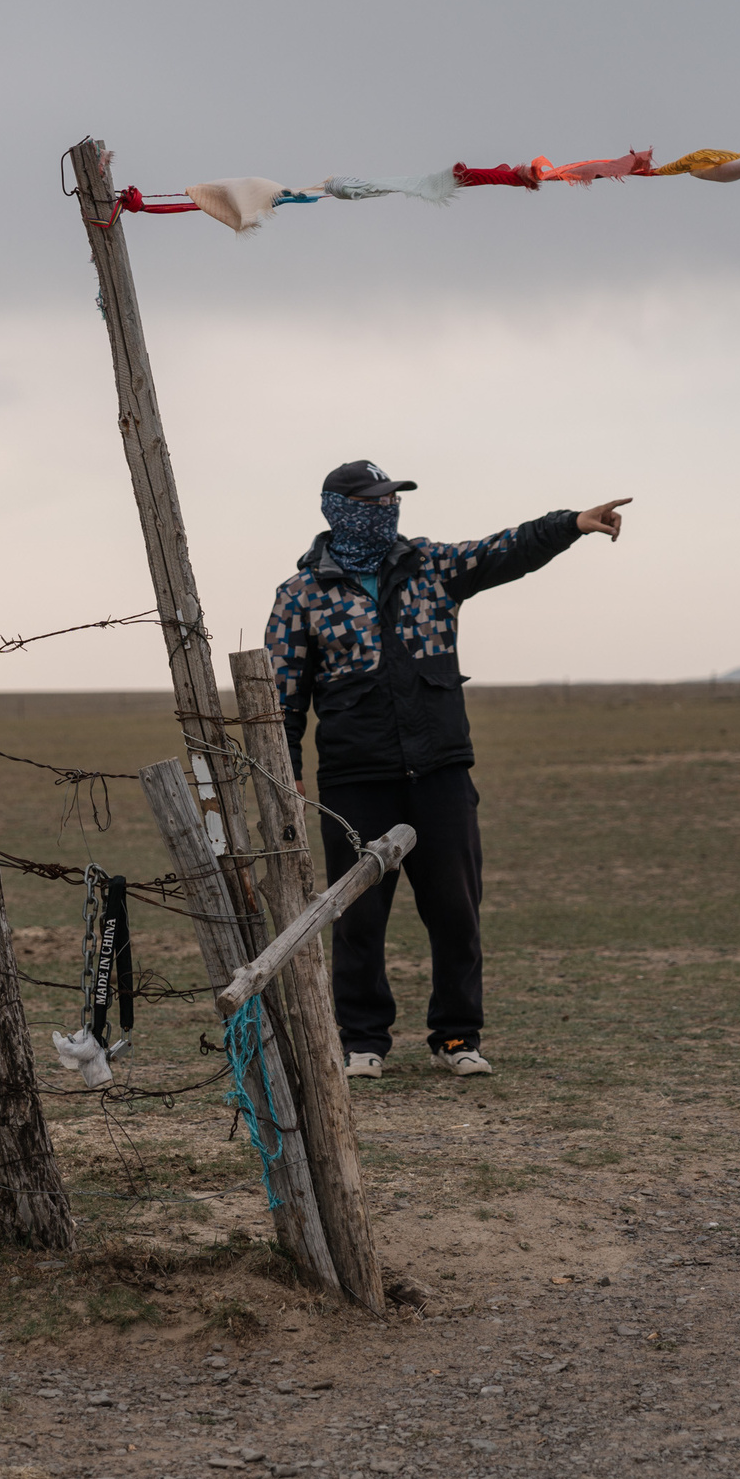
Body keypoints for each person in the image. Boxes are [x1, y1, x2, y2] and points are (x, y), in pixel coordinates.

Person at [267, 461, 631, 1080]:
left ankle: (458, 1038)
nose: (387, 509)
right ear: (338, 507)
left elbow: (503, 551)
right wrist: (286, 774)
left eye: (393, 499)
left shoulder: (431, 567)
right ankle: (362, 1042)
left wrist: (569, 524)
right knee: (357, 916)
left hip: (441, 772)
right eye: (374, 500)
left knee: (456, 910)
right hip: (356, 780)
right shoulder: (300, 596)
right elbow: (281, 696)